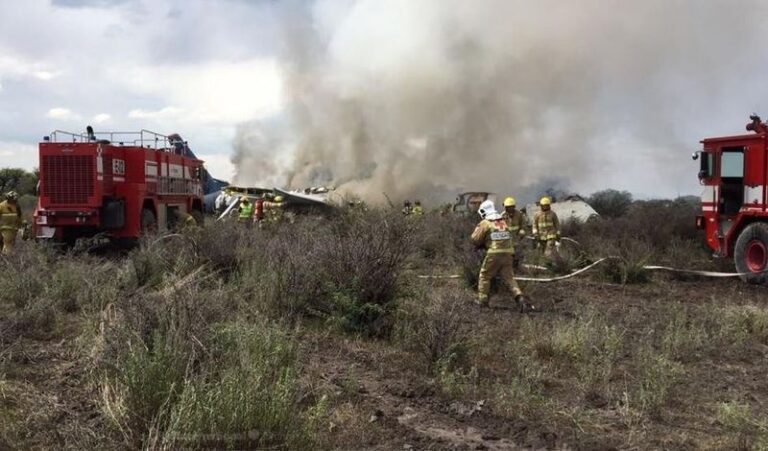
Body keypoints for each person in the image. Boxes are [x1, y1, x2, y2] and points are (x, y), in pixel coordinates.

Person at [470, 200, 534, 312]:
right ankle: (521, 299)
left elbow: (475, 239)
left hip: (494, 253)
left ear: (484, 212)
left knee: (485, 276)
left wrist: (481, 238)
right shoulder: (503, 222)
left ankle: (483, 302)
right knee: (509, 278)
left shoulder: (486, 223)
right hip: (508, 253)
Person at [501, 197, 527, 269]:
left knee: (517, 254)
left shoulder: (519, 214)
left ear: (514, 207)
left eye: (511, 207)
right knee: (507, 255)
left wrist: (522, 231)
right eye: (508, 207)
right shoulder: (502, 216)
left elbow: (523, 225)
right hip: (507, 239)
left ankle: (516, 268)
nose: (509, 209)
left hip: (517, 237)